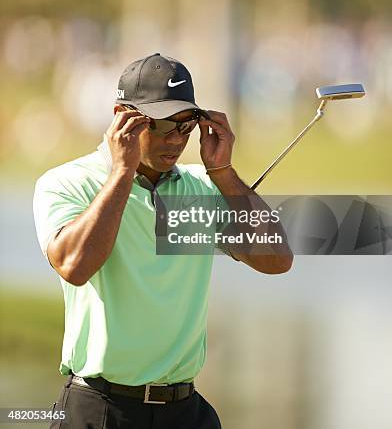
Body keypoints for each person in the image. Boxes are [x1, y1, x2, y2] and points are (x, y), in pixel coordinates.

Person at [33, 53, 293, 429]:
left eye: (186, 126)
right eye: (161, 125)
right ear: (123, 116)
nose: (175, 140)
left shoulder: (200, 189)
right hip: (101, 409)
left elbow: (276, 259)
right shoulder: (69, 183)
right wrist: (122, 172)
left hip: (185, 411)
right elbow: (74, 266)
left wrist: (223, 172)